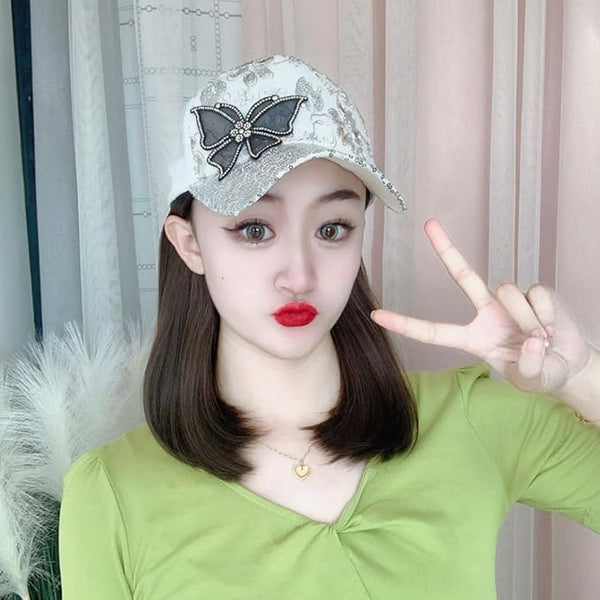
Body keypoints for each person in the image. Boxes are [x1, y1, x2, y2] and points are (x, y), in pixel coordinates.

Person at [58, 54, 600, 599]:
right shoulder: (111, 494)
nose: (299, 275)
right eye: (254, 229)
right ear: (190, 244)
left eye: (333, 229)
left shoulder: (472, 420)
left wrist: (582, 375)